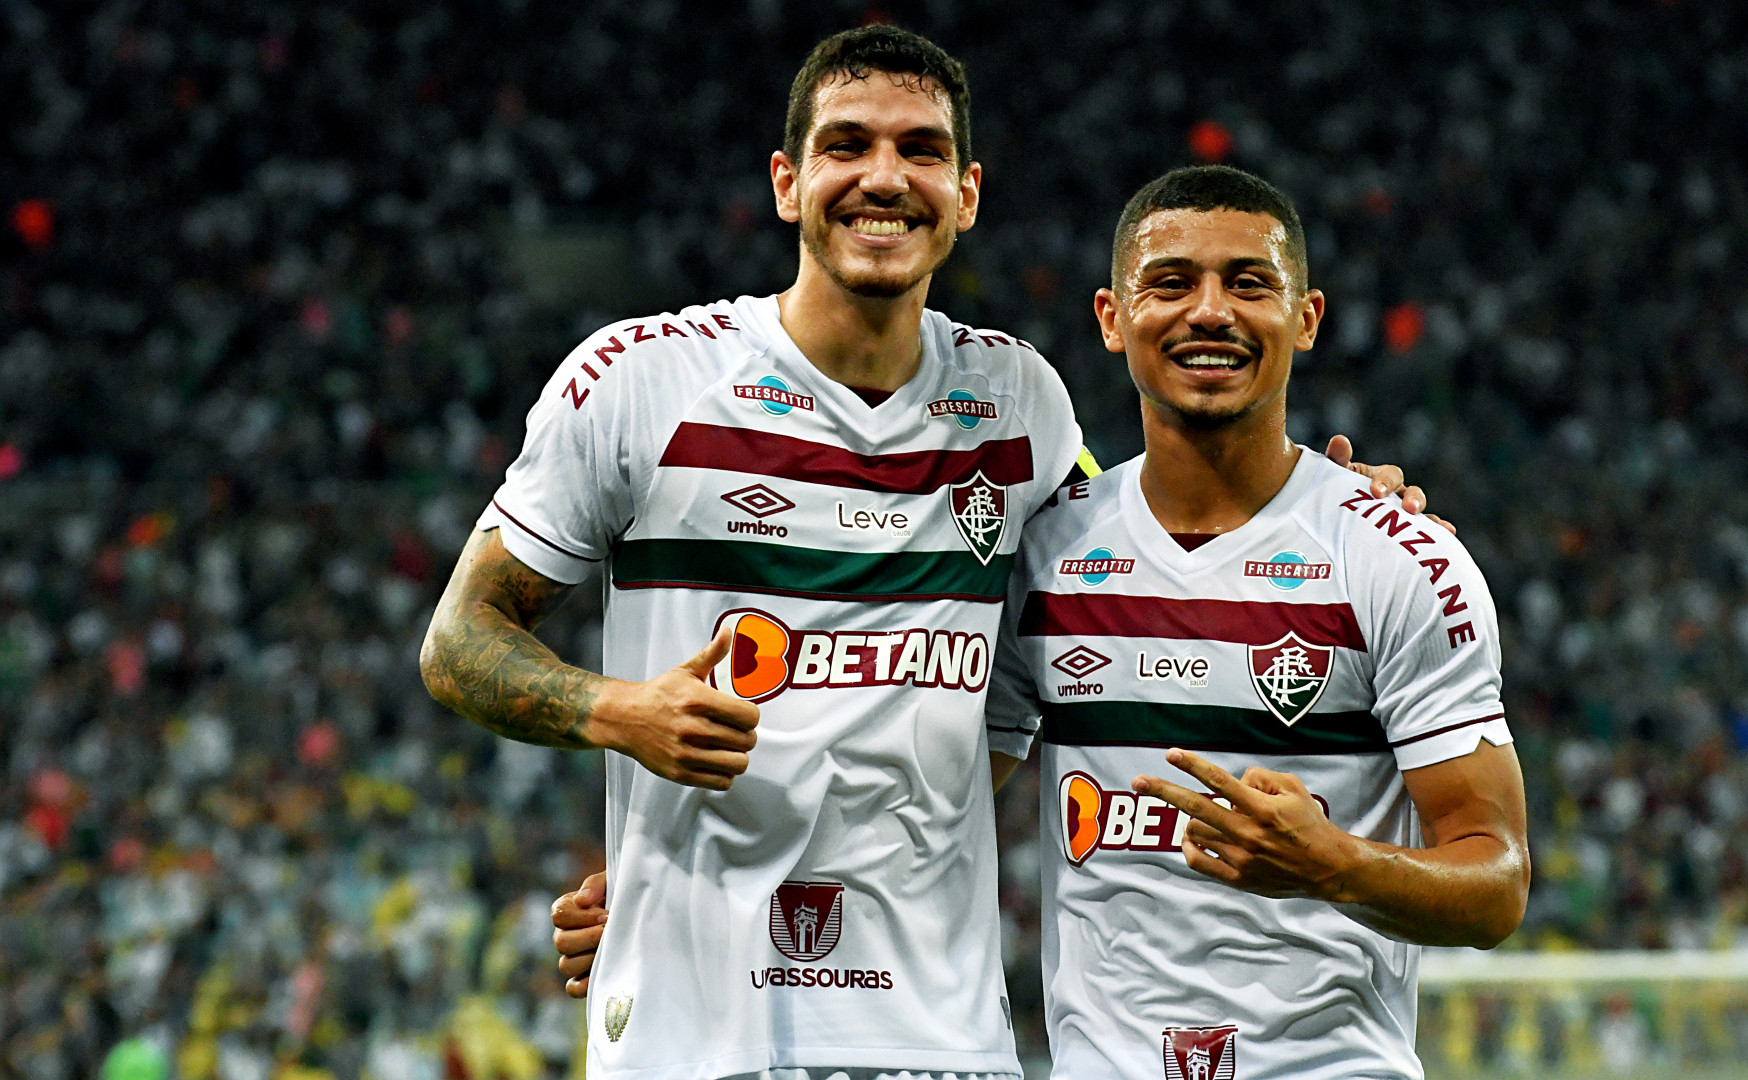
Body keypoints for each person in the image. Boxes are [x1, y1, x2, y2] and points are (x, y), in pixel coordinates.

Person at [428, 25, 1427, 1080]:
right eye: (847, 145)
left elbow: (1142, 564)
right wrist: (616, 714)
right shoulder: (640, 380)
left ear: (967, 193)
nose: (884, 178)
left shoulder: (1018, 403)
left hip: (942, 1039)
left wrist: (1347, 510)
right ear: (786, 181)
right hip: (697, 1029)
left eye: (921, 150)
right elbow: (458, 642)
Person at [991, 165, 1529, 1079]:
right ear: (1113, 318)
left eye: (1249, 282)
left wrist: (1335, 864)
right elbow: (934, 797)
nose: (1210, 312)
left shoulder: (1399, 559)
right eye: (1170, 283)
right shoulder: (1042, 556)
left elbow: (1497, 882)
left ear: (1307, 318)